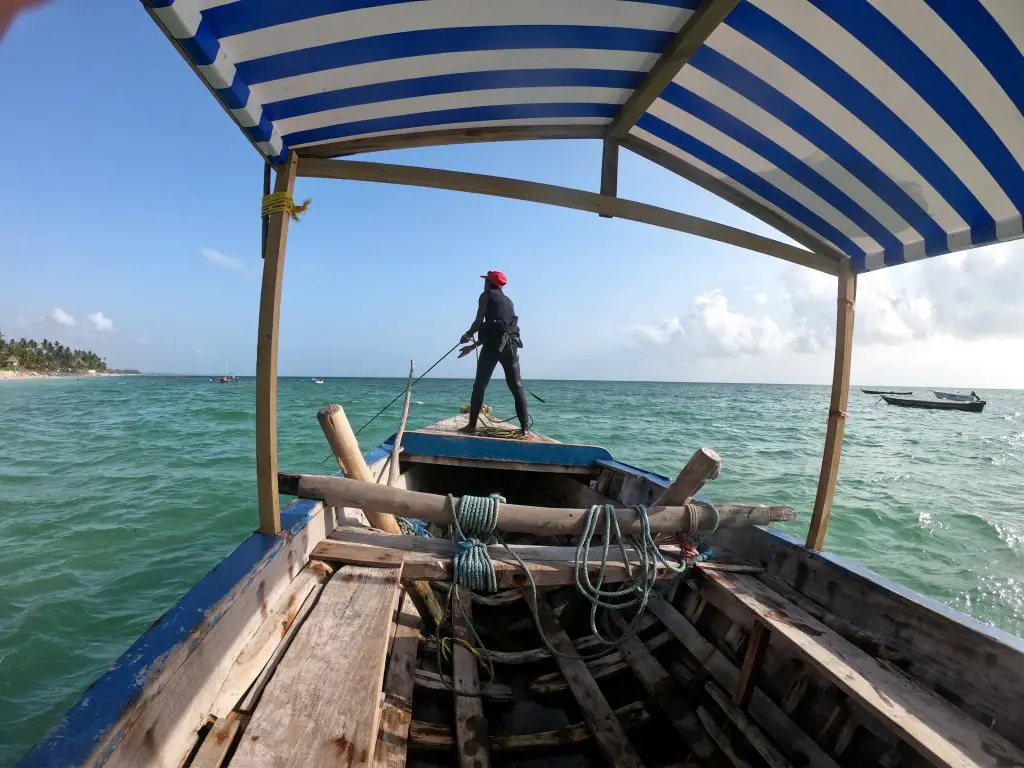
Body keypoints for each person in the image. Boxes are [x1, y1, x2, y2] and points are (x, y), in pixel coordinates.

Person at [460, 270, 529, 435]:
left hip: (492, 347)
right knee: (517, 387)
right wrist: (472, 346)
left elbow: (479, 323)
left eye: (486, 281)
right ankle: (524, 429)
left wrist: (467, 335)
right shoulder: (509, 301)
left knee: (479, 387)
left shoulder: (485, 296)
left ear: (489, 283)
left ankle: (471, 427)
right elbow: (500, 330)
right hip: (511, 346)